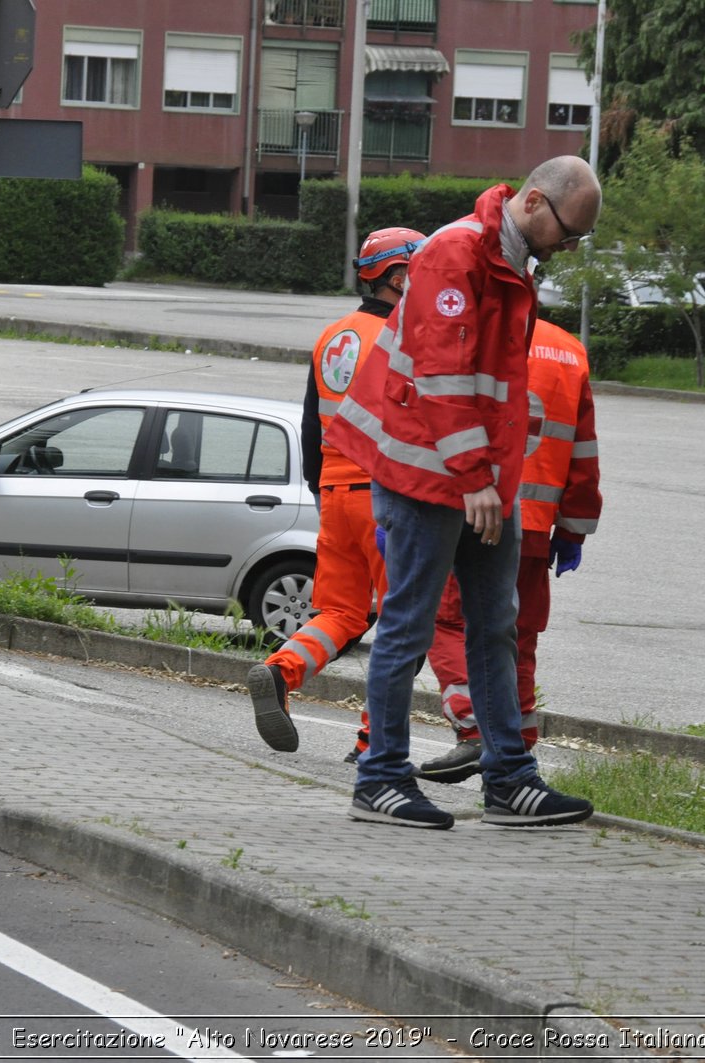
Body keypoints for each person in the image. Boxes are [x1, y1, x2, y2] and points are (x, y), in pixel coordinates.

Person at [326, 155, 602, 829]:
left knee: (494, 629)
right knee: (409, 627)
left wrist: (497, 483)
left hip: (479, 481)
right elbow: (443, 377)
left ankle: (509, 778)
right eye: (569, 232)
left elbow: (495, 387)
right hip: (426, 475)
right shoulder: (456, 253)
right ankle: (381, 777)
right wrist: (479, 478)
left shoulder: (510, 266)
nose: (569, 248)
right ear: (535, 203)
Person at [247, 227, 426, 753]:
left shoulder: (332, 336)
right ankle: (374, 741)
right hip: (387, 497)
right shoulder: (403, 336)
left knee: (342, 613)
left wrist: (324, 491)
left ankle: (281, 672)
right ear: (397, 277)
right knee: (403, 622)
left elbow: (310, 426)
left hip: (336, 494)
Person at [416, 318, 603, 783]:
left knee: (448, 621)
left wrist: (400, 508)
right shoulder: (568, 350)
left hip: (467, 510)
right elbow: (582, 450)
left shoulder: (464, 331)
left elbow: (429, 424)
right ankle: (516, 755)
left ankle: (474, 726)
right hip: (537, 523)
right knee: (518, 636)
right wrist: (573, 529)